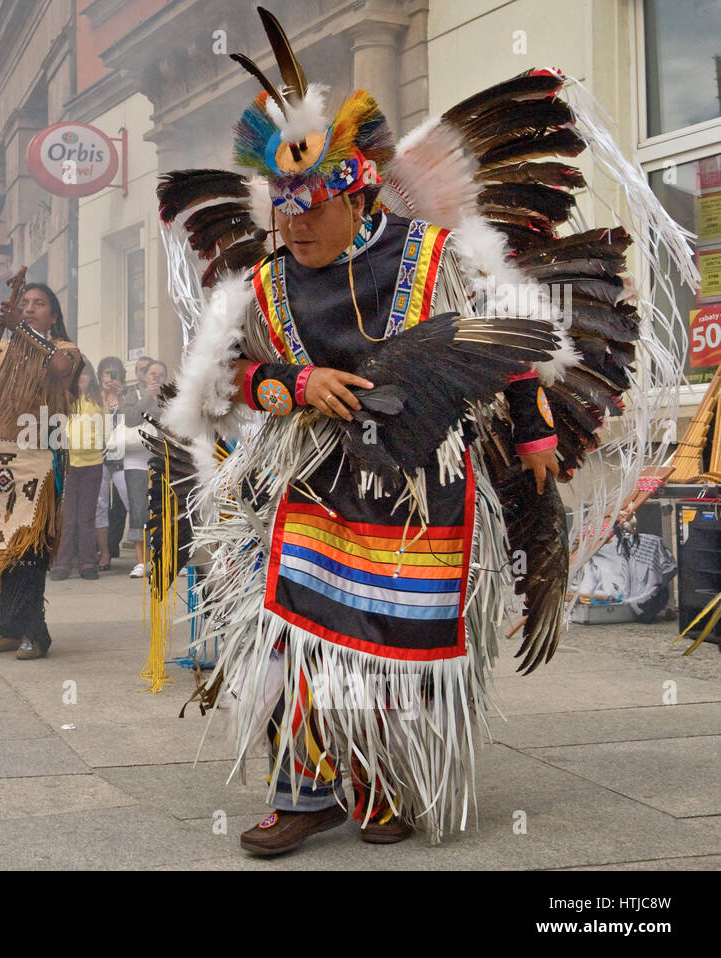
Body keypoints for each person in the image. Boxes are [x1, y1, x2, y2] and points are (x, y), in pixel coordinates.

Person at [154, 18, 695, 851]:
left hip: (422, 487)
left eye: (312, 208)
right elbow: (224, 381)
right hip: (310, 483)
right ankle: (303, 790)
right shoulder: (264, 283)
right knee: (294, 631)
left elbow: (505, 350)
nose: (294, 226)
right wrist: (294, 381)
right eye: (284, 209)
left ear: (357, 191)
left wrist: (535, 433)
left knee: (395, 641)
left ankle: (376, 785)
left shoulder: (434, 254)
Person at [0, 282, 81, 659]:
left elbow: (60, 367)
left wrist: (22, 329)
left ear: (55, 315)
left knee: (28, 550)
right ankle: (4, 629)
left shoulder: (65, 350)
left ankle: (34, 632)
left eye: (38, 304)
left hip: (36, 459)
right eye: (24, 303)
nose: (29, 308)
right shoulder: (3, 348)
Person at [51, 362, 106, 580]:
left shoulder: (97, 400)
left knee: (86, 517)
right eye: (77, 374)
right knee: (67, 517)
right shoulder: (62, 398)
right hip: (68, 465)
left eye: (85, 373)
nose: (81, 377)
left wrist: (92, 443)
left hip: (92, 464)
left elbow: (103, 430)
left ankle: (87, 563)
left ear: (91, 376)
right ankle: (62, 563)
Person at [119, 360, 166, 578]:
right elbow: (129, 419)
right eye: (152, 373)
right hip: (136, 461)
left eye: (160, 374)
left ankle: (162, 556)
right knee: (139, 510)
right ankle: (141, 561)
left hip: (162, 459)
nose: (156, 378)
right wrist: (147, 397)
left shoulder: (171, 395)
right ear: (144, 376)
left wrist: (160, 400)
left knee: (161, 508)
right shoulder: (133, 394)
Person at [96, 356, 128, 569]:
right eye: (107, 372)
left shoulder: (128, 396)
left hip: (122, 457)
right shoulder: (94, 398)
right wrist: (105, 397)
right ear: (100, 376)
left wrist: (119, 397)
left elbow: (134, 419)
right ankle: (104, 553)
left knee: (131, 500)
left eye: (115, 372)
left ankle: (146, 549)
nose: (111, 376)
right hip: (97, 456)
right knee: (100, 504)